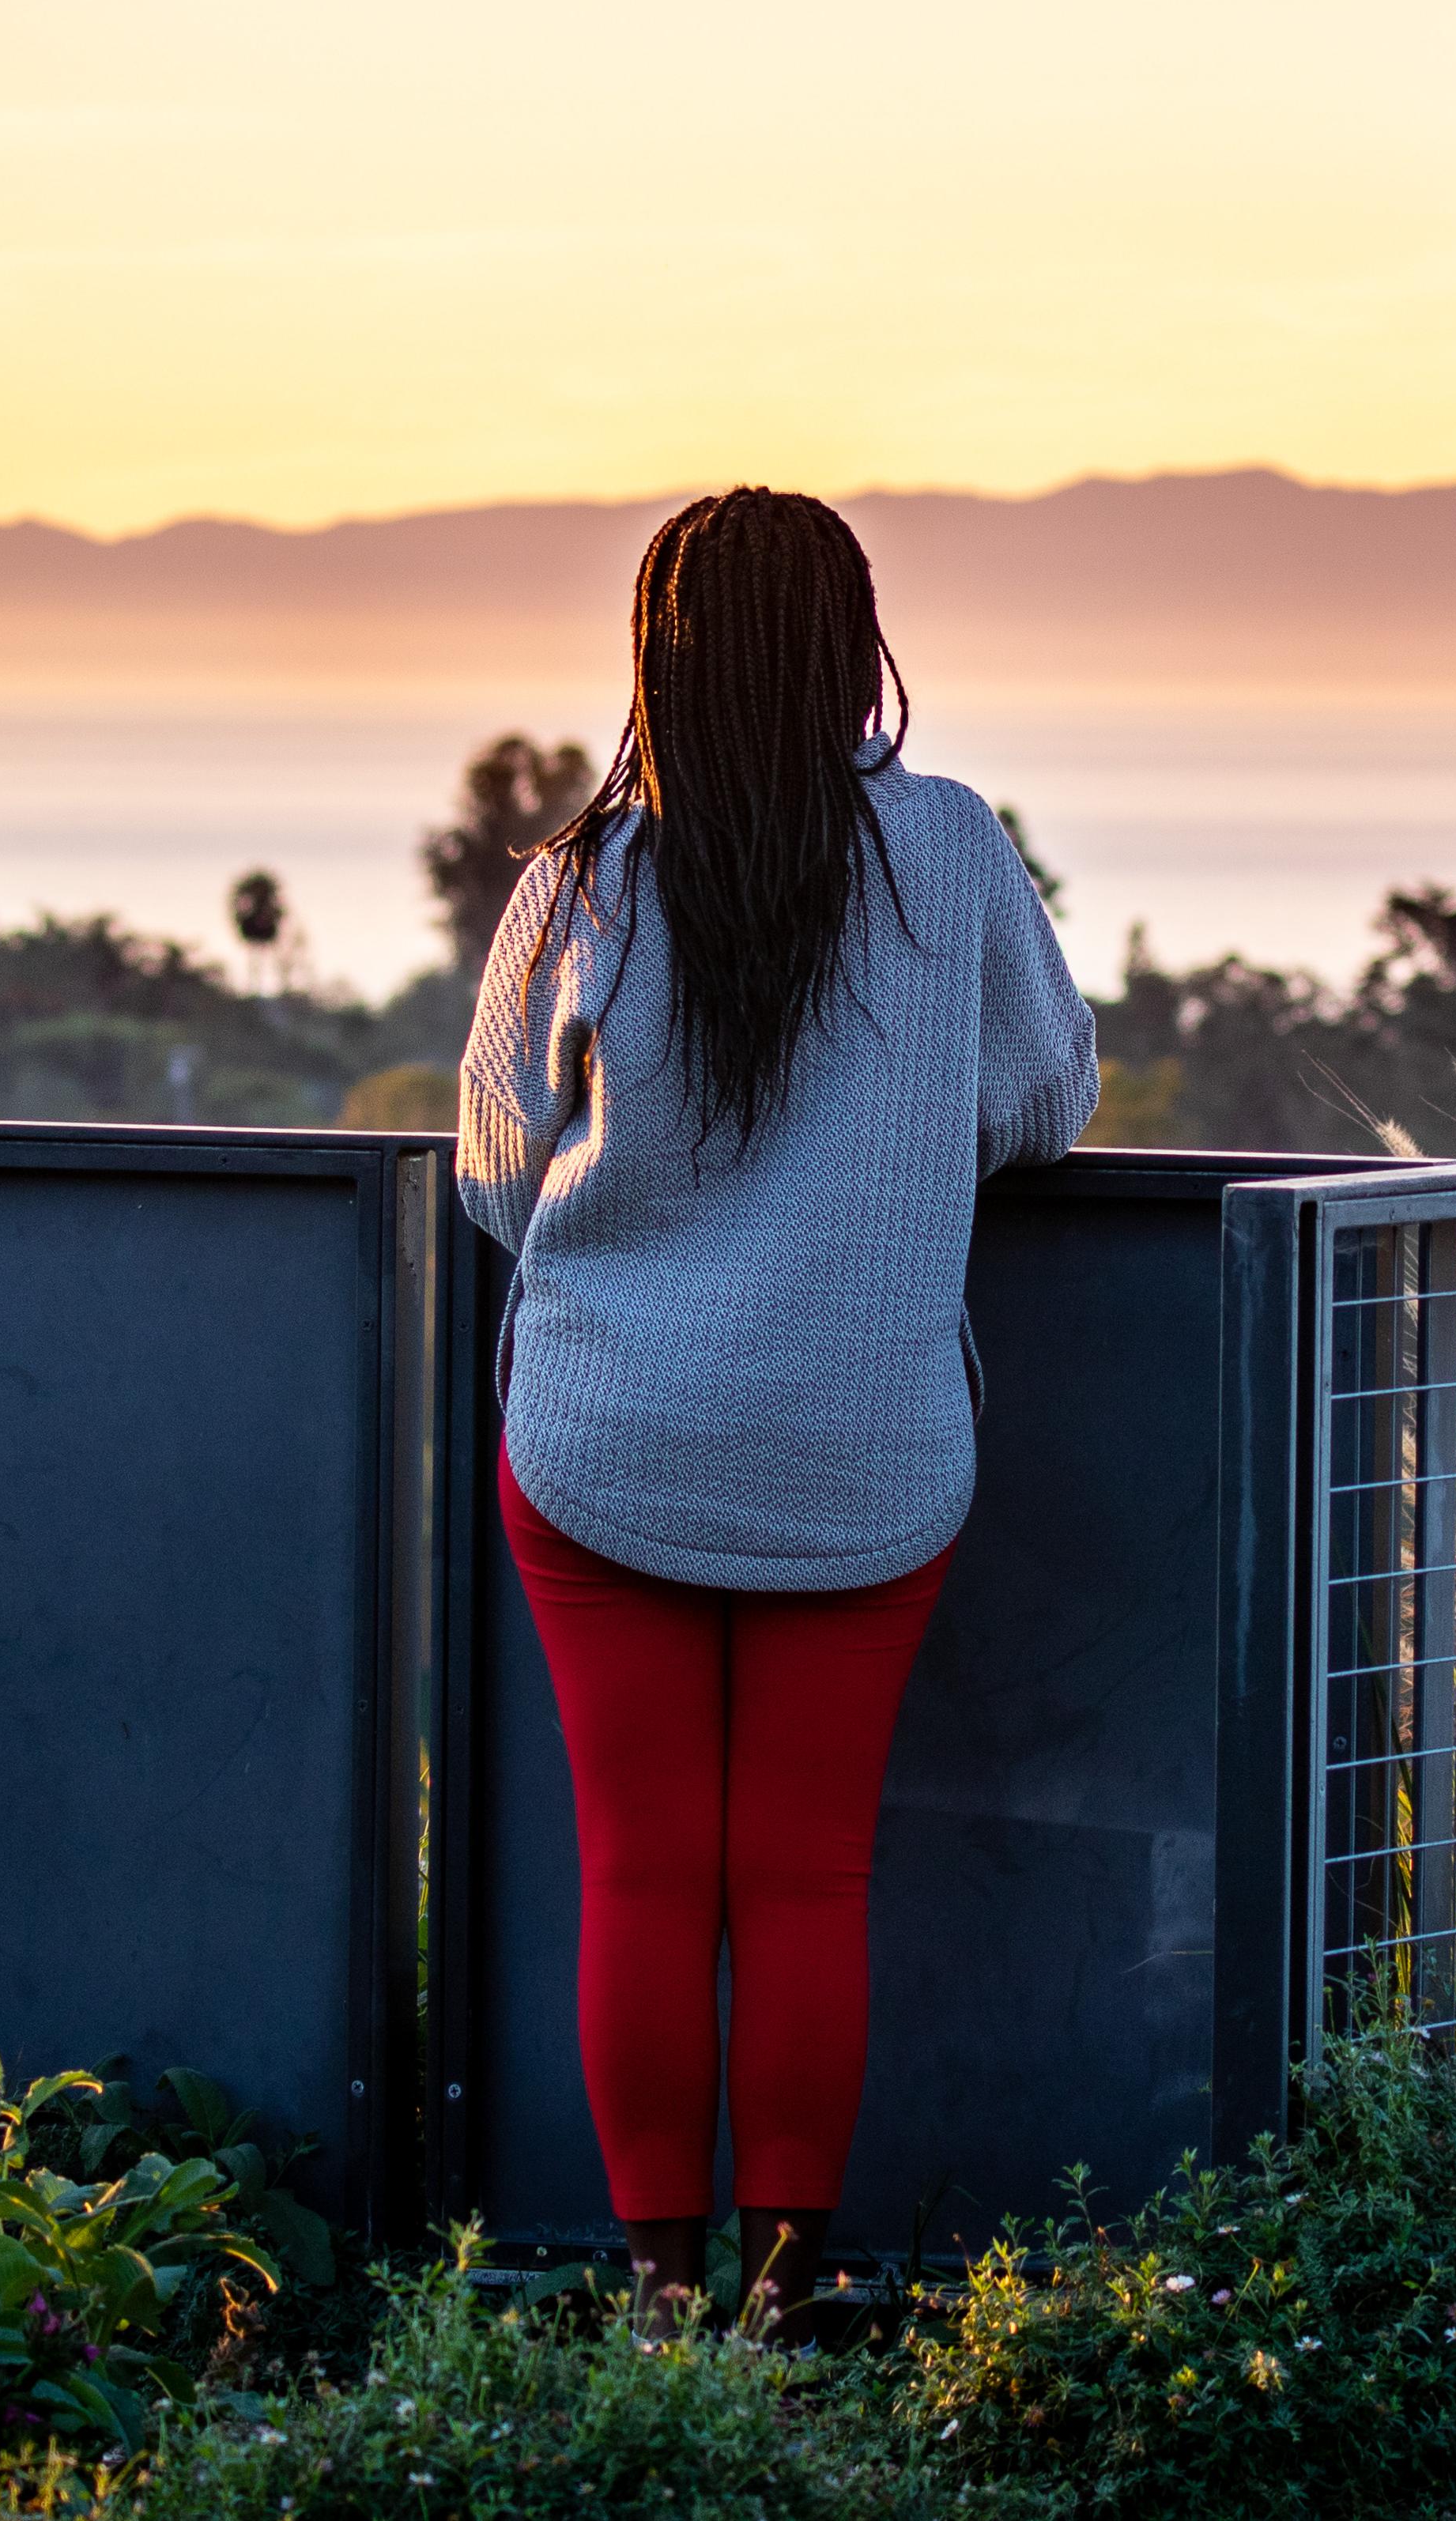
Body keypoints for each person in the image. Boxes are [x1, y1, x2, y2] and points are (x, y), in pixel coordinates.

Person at [456, 486, 1100, 2331]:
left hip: (601, 1445)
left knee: (644, 1871)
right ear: (854, 645)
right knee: (810, 1875)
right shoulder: (953, 853)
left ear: (656, 652)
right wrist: (888, 1156)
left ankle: (656, 2300)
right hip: (867, 1445)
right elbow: (1048, 1098)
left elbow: (500, 1169)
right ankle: (782, 2296)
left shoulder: (581, 878)